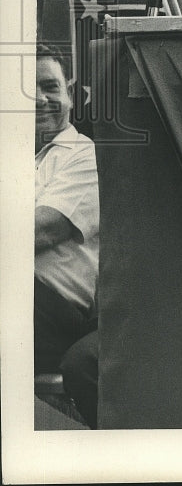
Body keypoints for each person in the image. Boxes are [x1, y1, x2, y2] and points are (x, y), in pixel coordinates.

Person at [34, 45, 99, 376]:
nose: (40, 99)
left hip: (51, 310)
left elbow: (43, 229)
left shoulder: (82, 154)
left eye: (50, 86)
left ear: (70, 94)